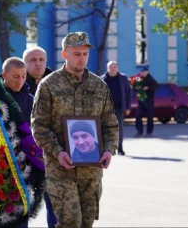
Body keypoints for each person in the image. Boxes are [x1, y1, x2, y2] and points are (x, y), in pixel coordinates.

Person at [31, 31, 119, 228]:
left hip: (92, 171)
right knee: (70, 222)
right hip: (61, 168)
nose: (82, 58)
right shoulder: (49, 85)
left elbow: (109, 123)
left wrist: (108, 149)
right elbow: (39, 125)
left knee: (86, 223)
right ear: (65, 54)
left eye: (85, 54)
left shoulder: (99, 86)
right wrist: (57, 151)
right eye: (76, 54)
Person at [22, 47, 58, 228]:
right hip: (23, 157)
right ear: (24, 63)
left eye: (41, 59)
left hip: (51, 156)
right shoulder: (16, 84)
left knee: (55, 205)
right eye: (33, 60)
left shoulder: (58, 83)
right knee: (21, 207)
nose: (38, 63)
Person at [101, 61, 131, 155]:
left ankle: (120, 148)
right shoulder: (102, 79)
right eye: (111, 67)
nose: (113, 68)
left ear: (117, 68)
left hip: (119, 108)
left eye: (114, 66)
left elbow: (128, 93)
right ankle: (105, 149)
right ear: (107, 68)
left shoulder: (123, 78)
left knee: (119, 129)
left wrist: (128, 107)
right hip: (106, 109)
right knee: (104, 128)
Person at [135, 66, 158, 137]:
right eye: (141, 72)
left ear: (147, 72)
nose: (142, 73)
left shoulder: (150, 78)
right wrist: (136, 88)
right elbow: (134, 88)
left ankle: (149, 132)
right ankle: (139, 131)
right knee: (138, 115)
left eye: (144, 72)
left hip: (149, 99)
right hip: (141, 98)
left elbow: (156, 86)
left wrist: (148, 88)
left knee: (150, 116)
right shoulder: (138, 78)